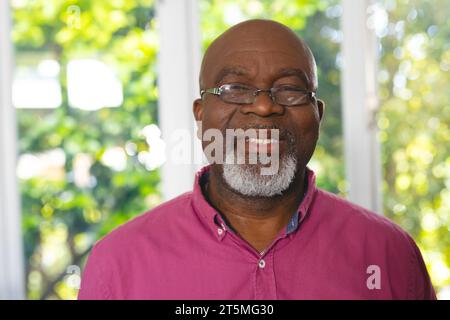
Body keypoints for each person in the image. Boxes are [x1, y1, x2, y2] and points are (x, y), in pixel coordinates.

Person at [78, 19, 436, 299]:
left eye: (291, 89)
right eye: (236, 89)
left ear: (318, 115)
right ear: (201, 115)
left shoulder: (390, 254)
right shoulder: (118, 264)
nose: (264, 107)